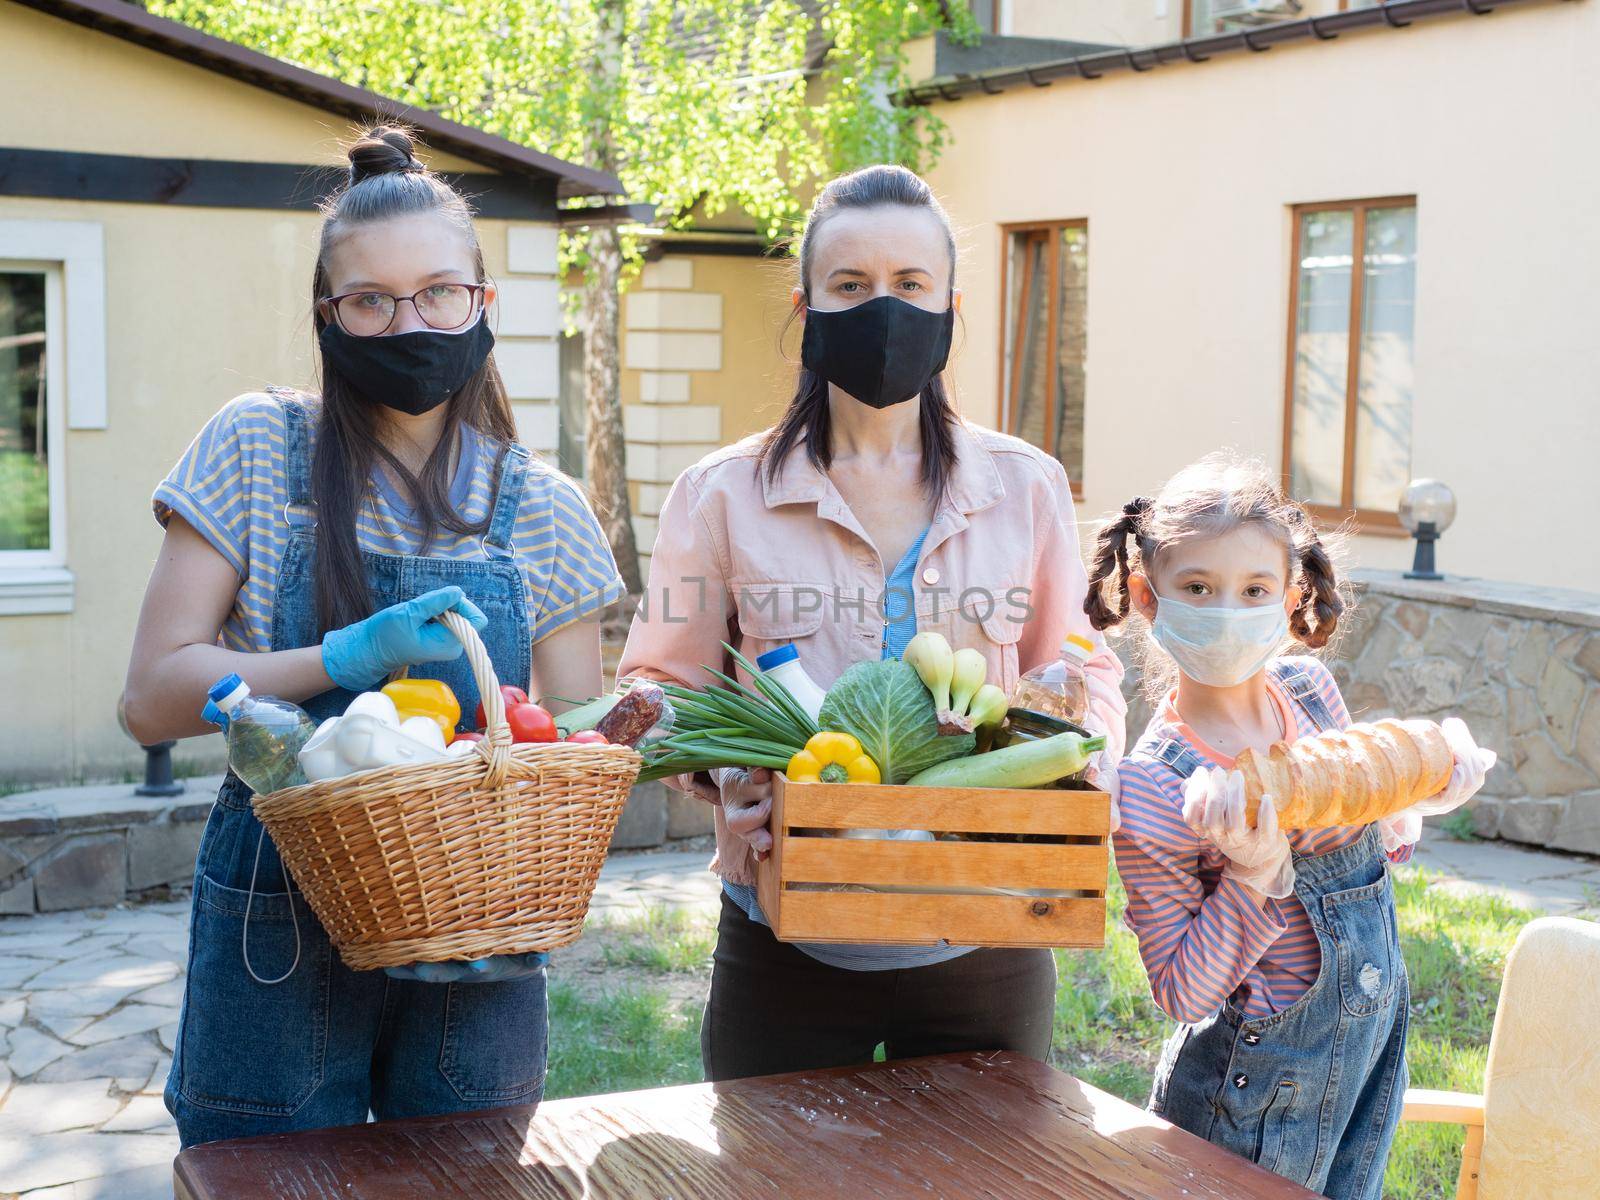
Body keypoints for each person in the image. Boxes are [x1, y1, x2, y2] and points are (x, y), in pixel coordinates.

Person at [122, 126, 622, 1147]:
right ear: (328, 316)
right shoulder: (256, 449)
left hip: (474, 931)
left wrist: (638, 731)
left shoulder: (546, 507)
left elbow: (573, 746)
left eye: (439, 292)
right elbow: (150, 699)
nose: (409, 323)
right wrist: (340, 660)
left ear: (484, 303)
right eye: (370, 301)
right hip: (277, 915)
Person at [617, 164, 1127, 1082]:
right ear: (809, 308)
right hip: (785, 934)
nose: (880, 309)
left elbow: (1083, 670)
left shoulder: (1027, 488)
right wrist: (729, 771)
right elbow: (657, 692)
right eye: (850, 287)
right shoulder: (721, 495)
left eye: (909, 285)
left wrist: (1082, 753)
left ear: (949, 308)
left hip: (989, 930)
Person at [1085, 454, 1494, 1200]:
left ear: (1290, 594)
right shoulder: (1154, 785)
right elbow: (1183, 991)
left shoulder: (1308, 692)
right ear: (1147, 596)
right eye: (1198, 588)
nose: (1226, 609)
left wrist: (1411, 802)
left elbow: (1358, 845)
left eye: (1253, 589)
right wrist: (1251, 877)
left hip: (1367, 1056)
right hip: (1247, 1096)